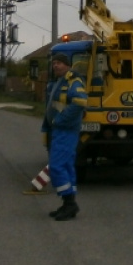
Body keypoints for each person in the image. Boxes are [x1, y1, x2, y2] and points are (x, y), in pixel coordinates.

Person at [41, 52, 88, 221]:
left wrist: (60, 119)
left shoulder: (73, 81)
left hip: (65, 130)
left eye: (59, 63)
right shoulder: (60, 81)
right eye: (54, 63)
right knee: (67, 166)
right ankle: (68, 202)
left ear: (68, 65)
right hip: (60, 130)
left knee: (56, 166)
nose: (56, 66)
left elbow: (80, 102)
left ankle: (69, 203)